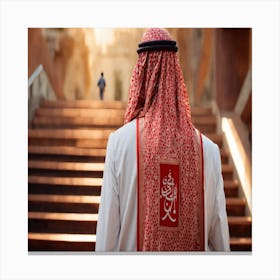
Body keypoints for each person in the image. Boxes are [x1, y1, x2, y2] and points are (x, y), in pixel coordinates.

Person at [95, 28, 230, 252]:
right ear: (176, 75)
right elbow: (221, 245)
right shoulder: (209, 151)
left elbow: (106, 238)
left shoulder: (119, 144)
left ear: (141, 73)